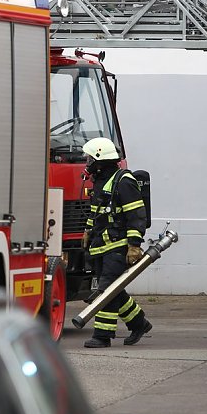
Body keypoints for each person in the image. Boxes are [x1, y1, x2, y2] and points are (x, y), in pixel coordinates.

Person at [80, 137, 152, 348]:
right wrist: (87, 230)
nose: (87, 162)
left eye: (89, 158)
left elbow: (136, 215)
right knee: (114, 289)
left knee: (106, 291)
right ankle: (139, 323)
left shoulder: (124, 181)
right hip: (101, 246)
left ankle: (102, 336)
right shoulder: (101, 181)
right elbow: (97, 211)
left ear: (99, 159)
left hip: (118, 246)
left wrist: (134, 245)